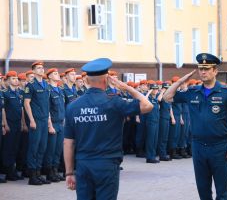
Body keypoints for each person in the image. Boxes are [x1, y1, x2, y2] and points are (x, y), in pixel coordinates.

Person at [64, 58, 153, 200]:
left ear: (87, 81)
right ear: (106, 79)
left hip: (83, 165)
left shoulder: (73, 106)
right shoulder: (114, 102)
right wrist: (127, 87)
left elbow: (68, 143)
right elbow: (148, 105)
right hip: (106, 165)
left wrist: (69, 173)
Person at [163, 53, 227, 200]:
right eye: (201, 69)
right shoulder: (193, 92)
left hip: (219, 148)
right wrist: (181, 80)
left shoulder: (226, 93)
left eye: (207, 68)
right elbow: (167, 97)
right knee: (203, 191)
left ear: (215, 71)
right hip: (198, 147)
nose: (203, 72)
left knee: (222, 192)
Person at [24, 61, 51, 185]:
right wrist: (32, 120)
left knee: (42, 147)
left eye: (42, 68)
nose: (41, 70)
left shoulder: (46, 84)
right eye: (38, 68)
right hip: (36, 120)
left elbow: (47, 105)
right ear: (33, 71)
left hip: (45, 120)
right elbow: (26, 103)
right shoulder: (31, 85)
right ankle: (32, 175)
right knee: (33, 148)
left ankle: (38, 173)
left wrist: (49, 121)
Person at [42, 68, 65, 182]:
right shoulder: (48, 90)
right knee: (50, 150)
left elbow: (62, 107)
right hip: (53, 123)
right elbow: (47, 110)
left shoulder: (60, 90)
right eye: (55, 74)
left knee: (58, 150)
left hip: (61, 123)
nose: (58, 75)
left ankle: (55, 171)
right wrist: (50, 125)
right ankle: (49, 172)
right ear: (50, 76)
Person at [1, 71, 25, 181]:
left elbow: (21, 110)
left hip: (17, 123)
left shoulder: (19, 93)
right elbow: (3, 110)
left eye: (16, 78)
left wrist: (21, 123)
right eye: (13, 78)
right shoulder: (5, 93)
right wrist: (5, 124)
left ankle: (13, 170)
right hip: (9, 123)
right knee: (8, 148)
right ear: (8, 80)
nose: (16, 80)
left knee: (15, 148)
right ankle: (8, 171)